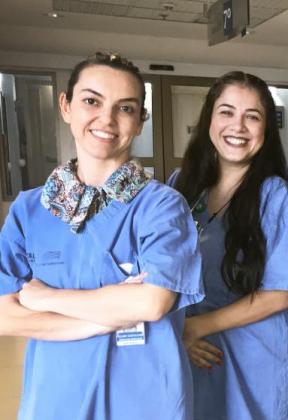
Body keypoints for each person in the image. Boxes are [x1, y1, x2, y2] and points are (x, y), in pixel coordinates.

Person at [0, 52, 203, 420]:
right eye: (91, 101)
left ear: (140, 121)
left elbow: (151, 304)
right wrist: (105, 317)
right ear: (66, 106)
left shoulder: (161, 206)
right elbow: (4, 316)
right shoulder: (29, 210)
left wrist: (45, 296)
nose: (106, 119)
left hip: (145, 401)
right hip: (55, 400)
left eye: (125, 108)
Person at [171, 71, 288, 419]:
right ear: (209, 119)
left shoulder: (274, 195)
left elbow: (282, 293)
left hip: (254, 356)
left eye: (253, 116)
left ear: (266, 129)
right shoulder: (182, 186)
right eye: (227, 112)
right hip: (193, 350)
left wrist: (196, 327)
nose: (238, 126)